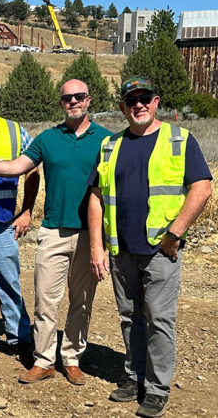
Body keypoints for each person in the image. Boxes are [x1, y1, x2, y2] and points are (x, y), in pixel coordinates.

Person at [88, 76, 212, 418]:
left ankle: (157, 389)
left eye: (145, 98)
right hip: (121, 250)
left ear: (156, 101)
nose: (138, 105)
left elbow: (202, 188)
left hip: (161, 251)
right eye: (132, 100)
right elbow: (97, 197)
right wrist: (96, 246)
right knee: (130, 318)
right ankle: (133, 378)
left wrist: (175, 234)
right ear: (122, 107)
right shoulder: (111, 145)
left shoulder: (179, 139)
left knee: (159, 319)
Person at [0, 79, 112, 386]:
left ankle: (72, 358)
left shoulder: (107, 140)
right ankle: (43, 360)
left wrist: (105, 241)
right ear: (61, 103)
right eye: (67, 98)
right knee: (45, 301)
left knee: (81, 301)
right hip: (53, 231)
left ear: (88, 100)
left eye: (79, 97)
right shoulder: (48, 138)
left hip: (89, 234)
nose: (73, 102)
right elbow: (18, 166)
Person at [0, 77, 39, 361]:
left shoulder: (15, 130)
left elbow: (32, 170)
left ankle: (19, 337)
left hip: (1, 221)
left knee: (9, 280)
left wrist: (26, 210)